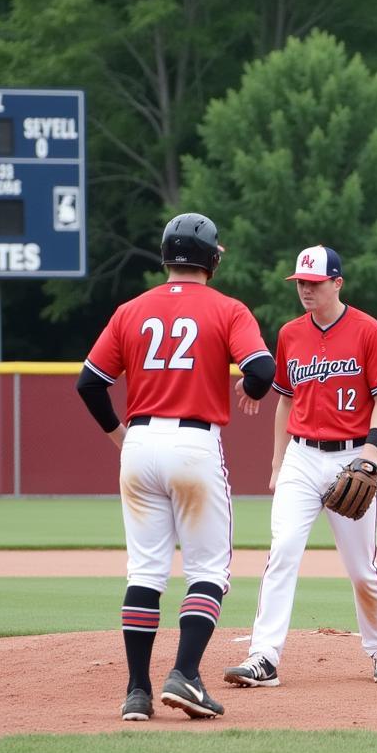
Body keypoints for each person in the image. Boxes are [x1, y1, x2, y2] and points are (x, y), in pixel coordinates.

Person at [76, 213, 275, 721]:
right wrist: (252, 390)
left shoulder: (131, 310)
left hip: (140, 442)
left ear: (166, 256)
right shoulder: (227, 308)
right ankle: (185, 674)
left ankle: (137, 691)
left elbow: (90, 383)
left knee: (145, 570)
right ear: (212, 258)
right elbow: (262, 369)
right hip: (194, 444)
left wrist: (120, 436)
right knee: (208, 570)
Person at [224, 244, 377, 687]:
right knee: (282, 552)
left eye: (314, 282)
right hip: (301, 458)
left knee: (362, 567)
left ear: (336, 283)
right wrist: (277, 461)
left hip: (352, 456)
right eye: (301, 282)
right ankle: (263, 656)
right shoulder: (290, 333)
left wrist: (372, 450)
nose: (305, 289)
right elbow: (285, 401)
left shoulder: (368, 330)